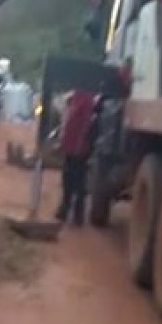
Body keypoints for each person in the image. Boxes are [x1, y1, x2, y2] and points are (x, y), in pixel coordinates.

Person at [55, 90, 98, 226]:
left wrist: (81, 145)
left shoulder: (88, 99)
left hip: (79, 148)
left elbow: (87, 124)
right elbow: (66, 121)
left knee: (78, 181)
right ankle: (66, 210)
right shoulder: (74, 97)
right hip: (70, 146)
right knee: (68, 178)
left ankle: (77, 215)